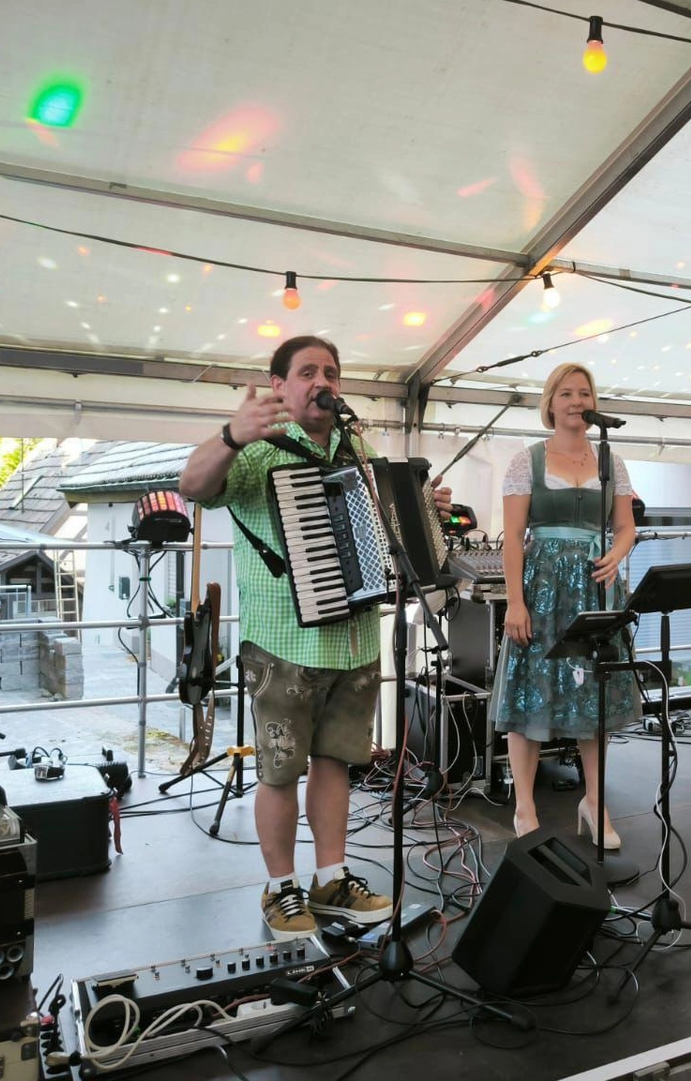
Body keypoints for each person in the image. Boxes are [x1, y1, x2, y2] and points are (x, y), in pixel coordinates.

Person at [179, 335, 451, 939]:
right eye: (307, 372)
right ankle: (281, 889)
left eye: (330, 371)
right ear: (279, 385)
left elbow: (383, 519)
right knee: (279, 772)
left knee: (336, 764)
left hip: (355, 640)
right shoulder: (257, 448)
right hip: (284, 644)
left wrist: (419, 506)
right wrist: (230, 435)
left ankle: (331, 879)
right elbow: (191, 487)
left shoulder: (357, 447)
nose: (322, 382)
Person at [491, 362, 639, 848]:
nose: (577, 401)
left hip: (595, 589)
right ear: (550, 404)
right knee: (529, 694)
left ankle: (594, 802)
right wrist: (515, 602)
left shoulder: (611, 461)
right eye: (567, 393)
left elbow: (626, 527)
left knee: (593, 697)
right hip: (543, 589)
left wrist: (618, 553)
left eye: (585, 393)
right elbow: (514, 536)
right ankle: (525, 810)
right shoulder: (527, 461)